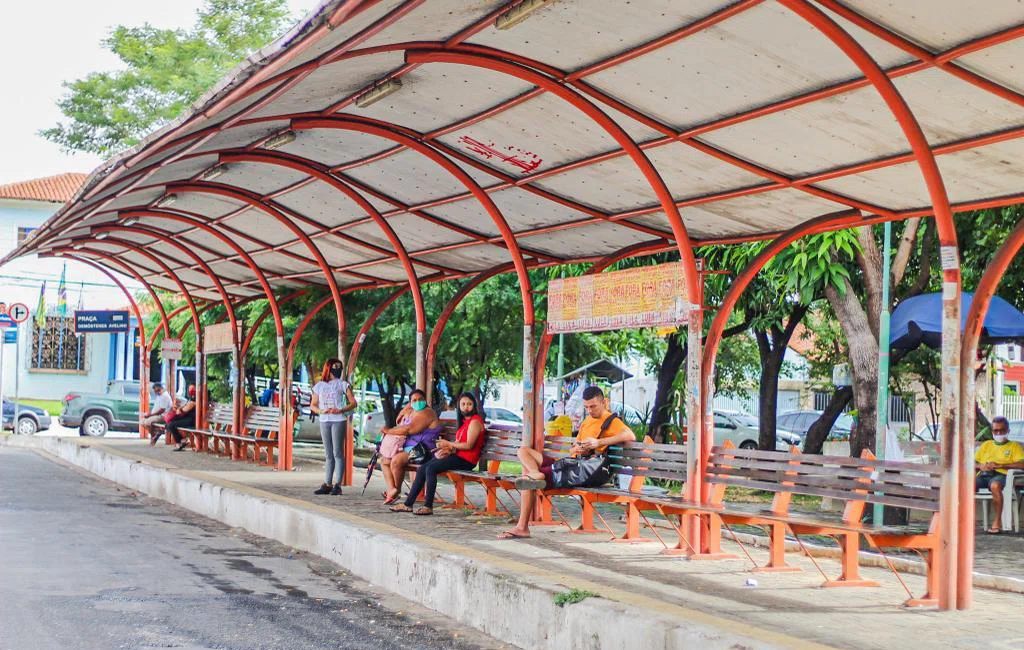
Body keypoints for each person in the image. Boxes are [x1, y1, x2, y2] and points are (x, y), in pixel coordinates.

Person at [498, 386, 634, 540]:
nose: (590, 410)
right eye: (587, 407)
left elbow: (630, 435)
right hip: (573, 463)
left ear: (604, 402)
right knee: (524, 451)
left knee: (528, 481)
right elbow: (574, 449)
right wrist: (580, 448)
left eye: (593, 406)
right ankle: (536, 474)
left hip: (586, 470)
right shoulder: (587, 420)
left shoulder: (611, 421)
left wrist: (598, 443)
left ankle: (522, 527)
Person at [390, 392, 486, 515]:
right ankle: (407, 504)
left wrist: (449, 444)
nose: (466, 407)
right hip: (458, 456)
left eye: (469, 404)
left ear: (474, 405)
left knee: (431, 468)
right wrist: (446, 448)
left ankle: (428, 506)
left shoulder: (475, 422)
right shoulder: (464, 423)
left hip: (467, 460)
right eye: (463, 404)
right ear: (459, 406)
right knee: (423, 468)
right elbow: (458, 444)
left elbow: (469, 445)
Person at [378, 389, 442, 504]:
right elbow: (399, 422)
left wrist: (388, 431)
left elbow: (409, 429)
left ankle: (396, 491)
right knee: (384, 460)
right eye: (414, 400)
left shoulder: (428, 413)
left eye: (420, 399)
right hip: (410, 448)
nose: (418, 402)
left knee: (396, 461)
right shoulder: (412, 411)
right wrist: (404, 410)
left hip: (423, 450)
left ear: (425, 400)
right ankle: (392, 489)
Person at [311, 358, 357, 496]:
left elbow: (353, 402)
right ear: (328, 368)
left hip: (338, 420)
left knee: (337, 452)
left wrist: (341, 409)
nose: (337, 369)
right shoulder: (319, 386)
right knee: (328, 453)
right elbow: (313, 405)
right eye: (335, 366)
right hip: (324, 420)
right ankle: (327, 483)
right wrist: (321, 411)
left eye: (339, 366)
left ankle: (337, 484)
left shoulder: (343, 385)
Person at [975, 416, 1024, 534]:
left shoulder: (1014, 446)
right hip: (984, 474)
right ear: (992, 432)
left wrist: (1001, 465)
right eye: (995, 431)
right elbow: (972, 463)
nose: (998, 433)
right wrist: (980, 466)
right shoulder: (986, 445)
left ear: (1008, 431)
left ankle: (997, 522)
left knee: (995, 485)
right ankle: (965, 520)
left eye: (1001, 431)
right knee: (966, 484)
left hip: (1002, 476)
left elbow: (1022, 465)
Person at [167, 385, 198, 452]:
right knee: (168, 424)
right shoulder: (192, 399)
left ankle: (179, 443)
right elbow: (183, 408)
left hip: (191, 420)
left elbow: (184, 410)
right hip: (187, 418)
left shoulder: (195, 400)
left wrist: (179, 409)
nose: (190, 391)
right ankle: (182, 440)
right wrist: (179, 408)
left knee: (171, 425)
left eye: (192, 390)